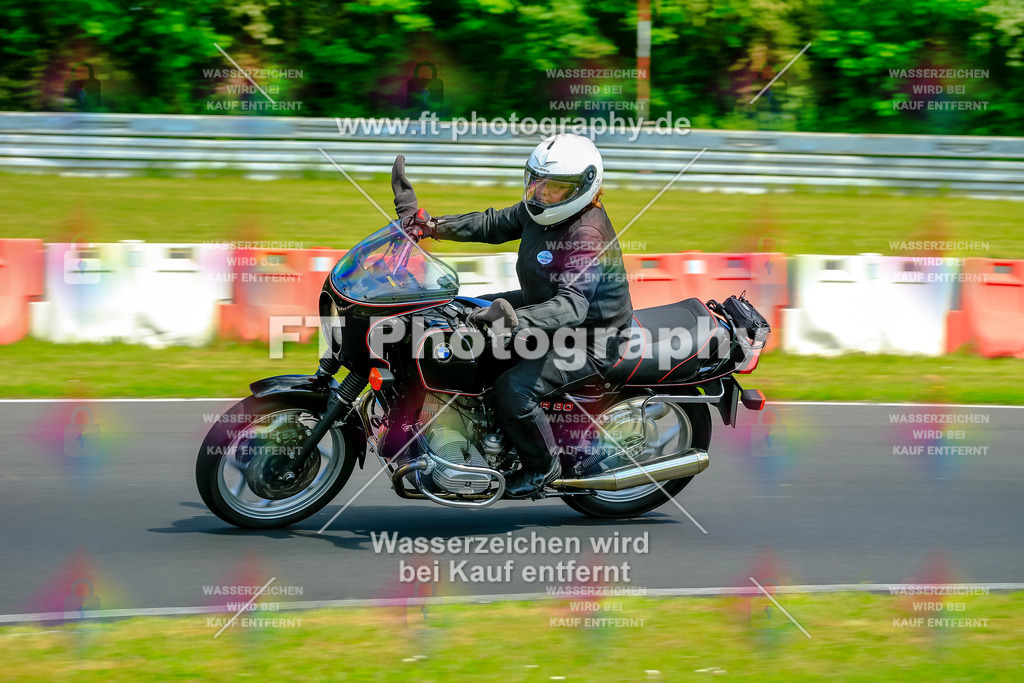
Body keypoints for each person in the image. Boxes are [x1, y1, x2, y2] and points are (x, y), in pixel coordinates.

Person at [403, 133, 633, 498]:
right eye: (536, 181)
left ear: (583, 187)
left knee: (513, 391)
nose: (541, 193)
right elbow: (492, 224)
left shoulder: (586, 234)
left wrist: (515, 320)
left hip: (592, 336)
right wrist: (432, 225)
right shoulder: (538, 211)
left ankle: (542, 468)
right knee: (460, 311)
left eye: (554, 186)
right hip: (542, 305)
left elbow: (572, 306)